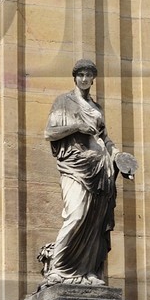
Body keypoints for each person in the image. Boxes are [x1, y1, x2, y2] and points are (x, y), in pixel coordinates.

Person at [38, 59, 136, 286]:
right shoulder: (63, 101)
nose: (84, 78)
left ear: (93, 79)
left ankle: (87, 271)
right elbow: (50, 133)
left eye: (88, 75)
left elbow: (105, 140)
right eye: (80, 74)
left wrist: (119, 158)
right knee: (77, 214)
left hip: (101, 170)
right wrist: (77, 127)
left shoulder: (96, 108)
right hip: (75, 166)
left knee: (94, 223)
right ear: (75, 77)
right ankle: (58, 268)